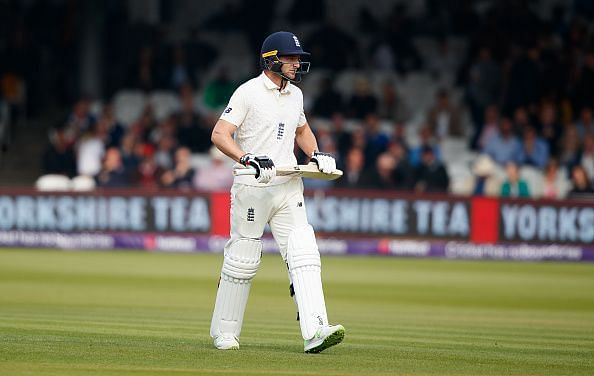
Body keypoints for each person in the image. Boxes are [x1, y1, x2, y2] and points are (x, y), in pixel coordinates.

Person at [209, 31, 345, 353]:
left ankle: (316, 332)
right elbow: (220, 133)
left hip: (288, 184)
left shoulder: (295, 95)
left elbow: (302, 129)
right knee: (243, 257)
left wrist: (315, 154)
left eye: (298, 58)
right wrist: (246, 157)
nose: (297, 63)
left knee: (304, 252)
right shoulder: (248, 92)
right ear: (272, 59)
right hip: (253, 185)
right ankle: (225, 332)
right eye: (291, 58)